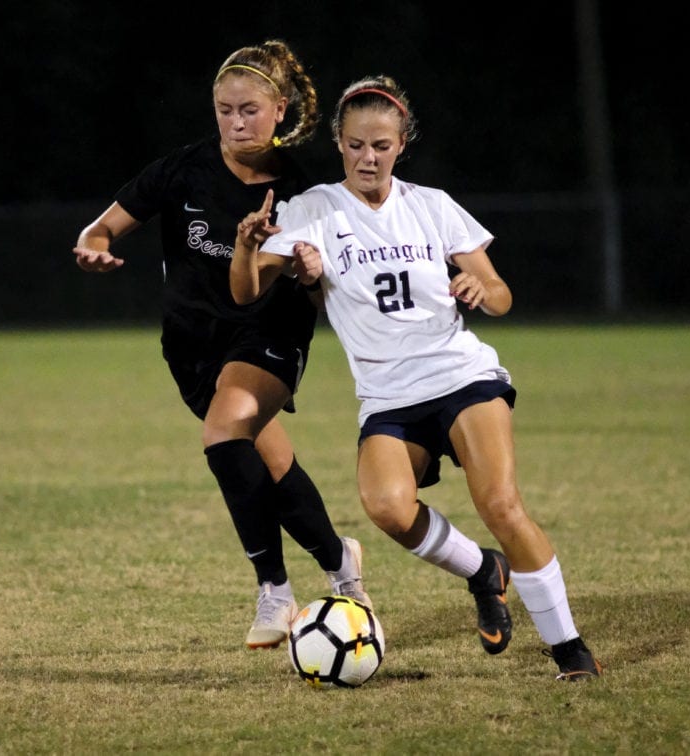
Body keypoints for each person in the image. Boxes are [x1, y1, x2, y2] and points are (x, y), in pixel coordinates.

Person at [230, 75, 601, 680]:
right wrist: (248, 248)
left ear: (401, 144)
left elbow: (501, 293)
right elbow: (244, 292)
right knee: (387, 508)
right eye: (354, 146)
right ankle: (483, 571)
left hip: (461, 376)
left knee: (502, 505)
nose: (366, 158)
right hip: (387, 396)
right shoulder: (314, 210)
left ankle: (569, 650)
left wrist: (485, 288)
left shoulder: (432, 205)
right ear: (339, 144)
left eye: (380, 146)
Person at [72, 41, 371, 651]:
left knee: (225, 432)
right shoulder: (182, 170)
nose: (236, 123)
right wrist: (92, 246)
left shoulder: (303, 187)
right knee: (272, 467)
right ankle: (342, 562)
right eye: (225, 110)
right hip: (191, 346)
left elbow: (329, 284)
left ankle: (275, 591)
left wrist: (309, 271)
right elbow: (103, 224)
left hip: (268, 334)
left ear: (280, 109)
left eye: (250, 110)